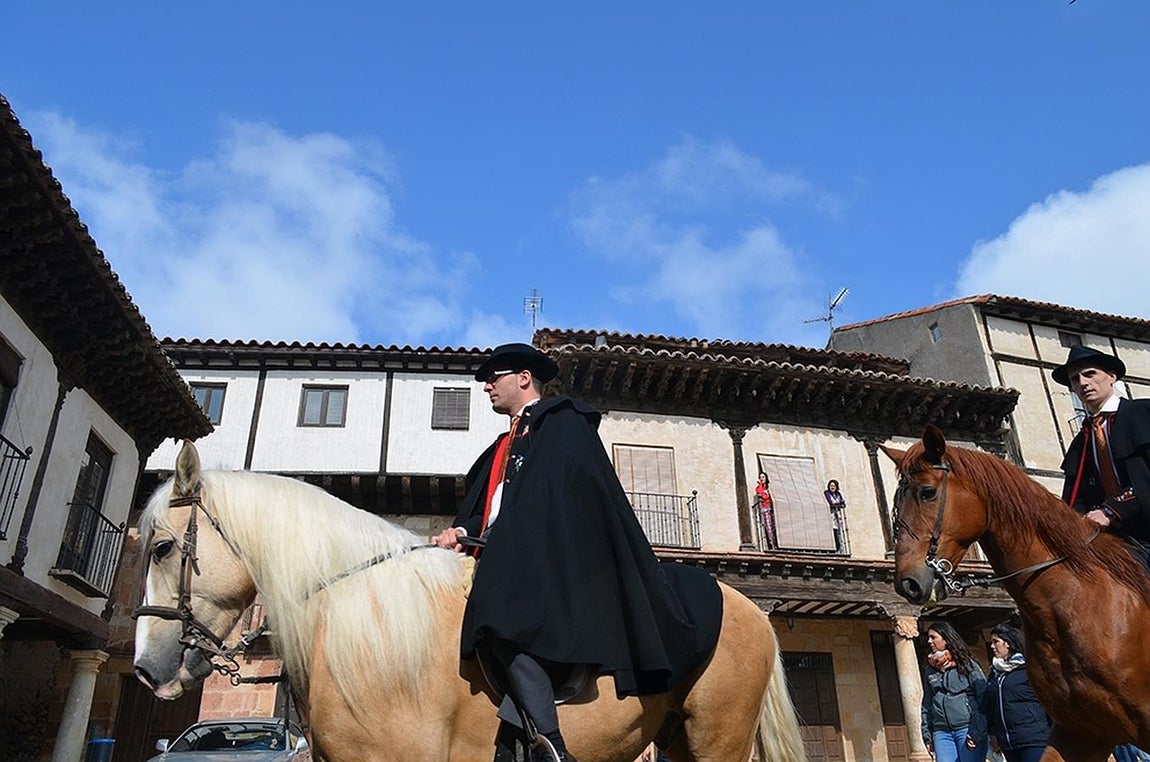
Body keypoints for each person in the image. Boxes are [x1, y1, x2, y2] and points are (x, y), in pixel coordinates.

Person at [432, 343, 720, 762]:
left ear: (524, 378)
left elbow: (568, 495)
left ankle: (551, 745)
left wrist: (511, 536)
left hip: (551, 555)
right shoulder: (501, 446)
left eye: (494, 377)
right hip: (502, 552)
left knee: (498, 609)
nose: (487, 386)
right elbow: (489, 509)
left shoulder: (562, 422)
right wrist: (461, 531)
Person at [1053, 345, 1150, 544]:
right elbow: (1076, 499)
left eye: (1090, 374)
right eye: (1075, 379)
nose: (1083, 383)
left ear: (1112, 377)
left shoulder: (1144, 413)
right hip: (1116, 541)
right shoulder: (1081, 442)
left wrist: (1111, 510)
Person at [920, 621, 988, 762]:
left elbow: (984, 697)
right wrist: (927, 734)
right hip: (941, 732)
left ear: (946, 639)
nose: (929, 641)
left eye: (933, 637)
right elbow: (927, 703)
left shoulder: (967, 664)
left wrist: (977, 730)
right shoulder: (930, 670)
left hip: (967, 728)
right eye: (928, 637)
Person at [981, 623, 1050, 762]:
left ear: (1008, 643)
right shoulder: (995, 675)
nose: (992, 646)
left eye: (996, 642)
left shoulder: (1029, 671)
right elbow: (991, 707)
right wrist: (993, 733)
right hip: (1008, 743)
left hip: (1033, 739)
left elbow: (1048, 702)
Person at [755, 472, 777, 549]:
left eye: (763, 477)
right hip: (765, 509)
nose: (761, 478)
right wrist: (761, 486)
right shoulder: (759, 488)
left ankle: (776, 544)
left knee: (774, 527)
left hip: (773, 509)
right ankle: (772, 545)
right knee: (769, 527)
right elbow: (763, 496)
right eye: (760, 477)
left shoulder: (770, 487)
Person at [823, 479, 846, 553]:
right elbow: (830, 502)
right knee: (833, 530)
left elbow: (843, 503)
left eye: (834, 486)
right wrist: (837, 504)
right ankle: (835, 547)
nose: (832, 487)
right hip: (831, 514)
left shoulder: (838, 494)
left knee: (838, 530)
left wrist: (837, 504)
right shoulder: (827, 493)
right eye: (831, 486)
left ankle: (840, 547)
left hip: (838, 515)